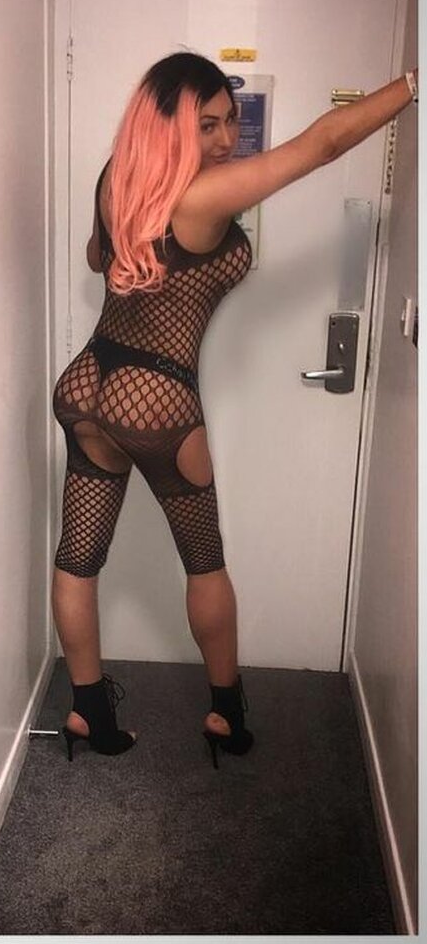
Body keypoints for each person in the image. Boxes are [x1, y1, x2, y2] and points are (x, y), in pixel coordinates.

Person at [52, 52, 416, 767]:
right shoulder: (205, 196)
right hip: (154, 397)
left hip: (86, 383)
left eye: (232, 122)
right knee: (205, 562)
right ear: (169, 126)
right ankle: (225, 713)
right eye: (208, 125)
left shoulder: (119, 177)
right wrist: (412, 83)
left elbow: (98, 258)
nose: (226, 140)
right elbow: (323, 144)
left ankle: (87, 709)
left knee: (77, 557)